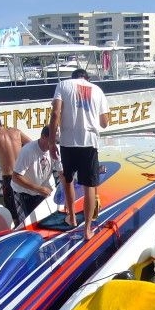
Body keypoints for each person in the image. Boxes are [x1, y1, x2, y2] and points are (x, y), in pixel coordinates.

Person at [48, 68, 110, 240]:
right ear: (87, 78)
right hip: (89, 142)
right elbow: (104, 123)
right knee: (89, 186)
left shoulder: (63, 85)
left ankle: (73, 218)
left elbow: (55, 114)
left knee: (67, 180)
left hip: (67, 142)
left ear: (73, 78)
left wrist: (52, 142)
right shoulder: (97, 90)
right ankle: (88, 230)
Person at [11, 126, 57, 223]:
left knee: (43, 221)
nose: (54, 145)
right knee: (27, 223)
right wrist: (38, 188)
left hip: (40, 192)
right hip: (23, 192)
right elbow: (15, 177)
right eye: (51, 141)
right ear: (43, 137)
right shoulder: (28, 151)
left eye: (56, 141)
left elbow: (61, 173)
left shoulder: (55, 150)